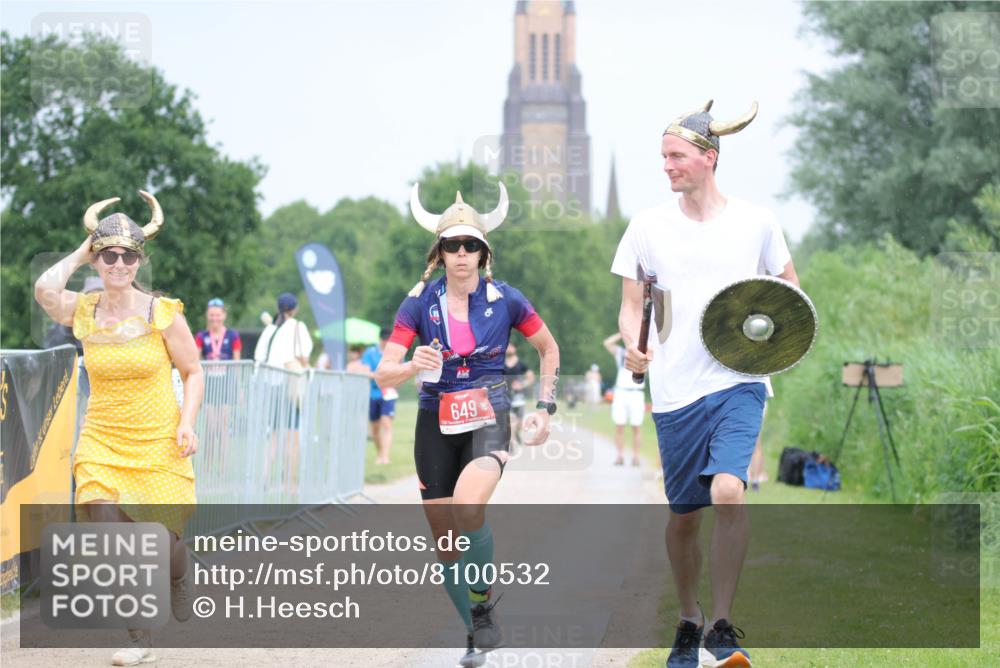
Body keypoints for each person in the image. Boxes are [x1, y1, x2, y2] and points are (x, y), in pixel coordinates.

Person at [612, 100, 798, 668]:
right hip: (674, 389)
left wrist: (776, 341)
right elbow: (630, 307)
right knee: (685, 515)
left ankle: (721, 626)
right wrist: (633, 346)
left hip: (739, 378)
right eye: (663, 157)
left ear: (709, 158)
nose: (666, 166)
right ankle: (688, 618)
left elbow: (790, 293)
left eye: (676, 156)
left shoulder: (757, 222)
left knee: (728, 491)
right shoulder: (647, 226)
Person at [375, 183, 559, 667]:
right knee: (445, 543)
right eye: (452, 245)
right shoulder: (417, 304)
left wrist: (546, 405)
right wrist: (413, 364)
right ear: (439, 253)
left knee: (468, 504)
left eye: (471, 245)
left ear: (483, 253)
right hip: (434, 419)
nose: (462, 254)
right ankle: (476, 630)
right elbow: (383, 372)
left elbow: (549, 349)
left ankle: (482, 605)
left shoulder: (507, 299)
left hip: (489, 412)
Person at [34, 191, 203, 666]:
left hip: (159, 444)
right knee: (113, 536)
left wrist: (187, 422)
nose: (118, 263)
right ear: (97, 258)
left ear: (139, 261)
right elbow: (45, 290)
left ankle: (177, 571)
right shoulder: (84, 310)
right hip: (102, 440)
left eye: (128, 256)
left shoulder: (161, 313)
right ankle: (138, 637)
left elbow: (193, 371)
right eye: (109, 254)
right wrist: (82, 249)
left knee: (158, 544)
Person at [254, 293, 312, 494]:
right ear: (294, 309)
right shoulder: (297, 326)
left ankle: (264, 477)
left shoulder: (270, 329)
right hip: (289, 385)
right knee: (292, 436)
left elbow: (259, 357)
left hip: (270, 385)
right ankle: (290, 483)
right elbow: (303, 357)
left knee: (273, 435)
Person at [603, 332, 645, 466]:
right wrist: (623, 333)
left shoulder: (644, 353)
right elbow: (607, 343)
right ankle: (619, 455)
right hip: (621, 392)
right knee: (619, 426)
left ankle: (635, 456)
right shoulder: (621, 353)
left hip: (636, 393)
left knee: (636, 427)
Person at [363, 329, 397, 465]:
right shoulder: (370, 353)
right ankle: (379, 452)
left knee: (386, 423)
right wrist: (380, 376)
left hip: (389, 393)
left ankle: (385, 457)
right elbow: (366, 372)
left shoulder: (395, 353)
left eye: (387, 340)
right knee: (375, 429)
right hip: (373, 394)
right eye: (383, 340)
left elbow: (398, 370)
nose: (385, 342)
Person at [502, 343, 535, 444]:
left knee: (520, 422)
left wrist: (522, 384)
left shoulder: (521, 364)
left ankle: (516, 433)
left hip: (518, 396)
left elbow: (531, 377)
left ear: (515, 348)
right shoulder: (501, 364)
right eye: (506, 346)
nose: (509, 348)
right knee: (511, 420)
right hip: (506, 395)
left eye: (511, 346)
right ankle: (510, 443)